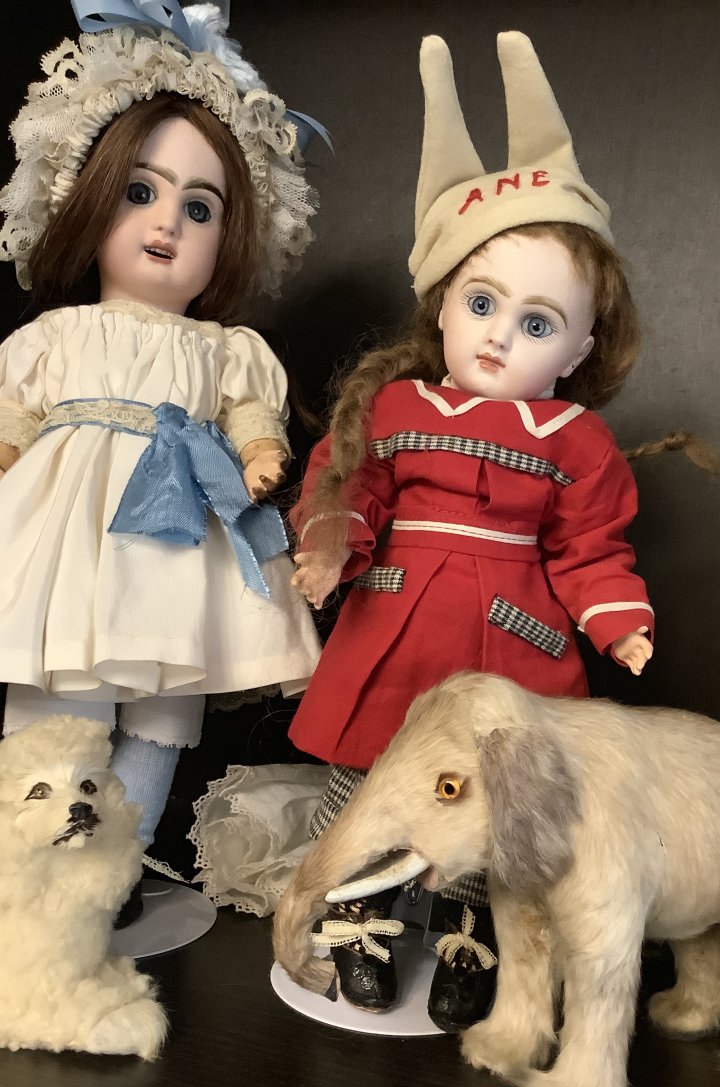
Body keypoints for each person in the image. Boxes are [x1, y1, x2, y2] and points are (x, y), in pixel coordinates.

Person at [286, 32, 653, 1031]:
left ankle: (466, 930)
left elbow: (589, 546)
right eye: (483, 303)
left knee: (491, 794)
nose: (499, 334)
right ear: (442, 303)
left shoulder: (575, 439)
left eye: (537, 323)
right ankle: (355, 913)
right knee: (368, 773)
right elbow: (349, 483)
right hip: (396, 628)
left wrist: (617, 618)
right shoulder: (398, 407)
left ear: (577, 347)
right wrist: (331, 542)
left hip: (510, 642)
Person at [0, 5, 322, 912]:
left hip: (181, 544)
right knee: (62, 683)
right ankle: (34, 873)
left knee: (162, 704)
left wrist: (260, 453)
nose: (168, 223)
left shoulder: (224, 349)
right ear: (86, 197)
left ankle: (114, 868)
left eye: (200, 208)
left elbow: (251, 414)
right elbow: (15, 411)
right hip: (70, 542)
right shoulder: (58, 334)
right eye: (140, 192)